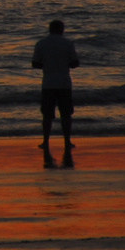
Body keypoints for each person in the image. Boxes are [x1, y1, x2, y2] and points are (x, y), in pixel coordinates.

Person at [32, 19, 80, 158]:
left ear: (49, 29)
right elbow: (75, 63)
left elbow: (35, 63)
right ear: (62, 30)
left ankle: (45, 142)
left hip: (48, 83)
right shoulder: (68, 43)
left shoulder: (41, 43)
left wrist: (47, 66)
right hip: (64, 83)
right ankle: (67, 141)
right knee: (66, 114)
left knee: (47, 114)